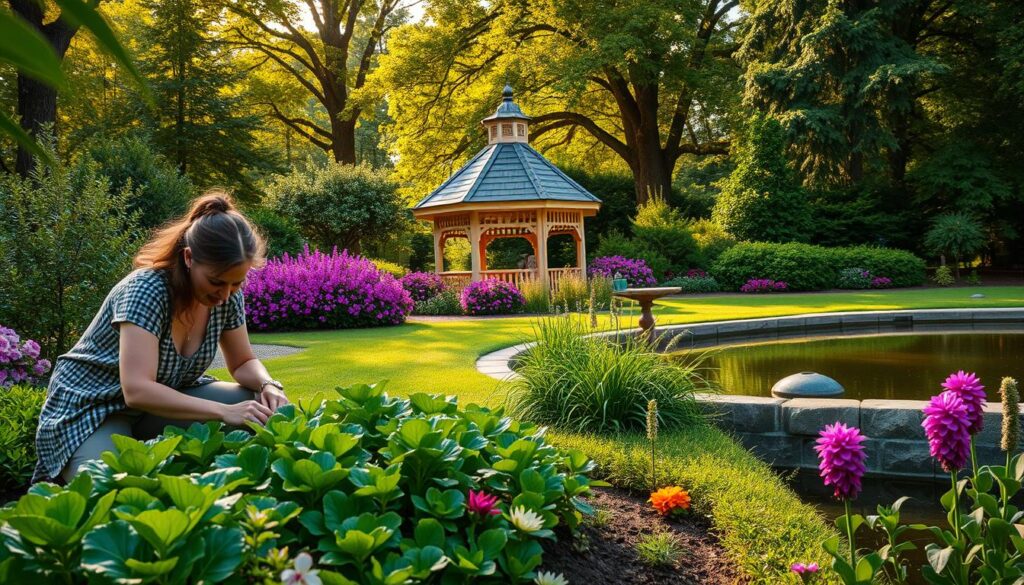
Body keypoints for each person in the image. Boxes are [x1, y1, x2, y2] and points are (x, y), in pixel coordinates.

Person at [33, 192, 289, 484]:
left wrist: (268, 384)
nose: (225, 294)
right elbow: (138, 390)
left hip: (159, 403)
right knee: (108, 486)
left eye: (236, 283)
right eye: (216, 282)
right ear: (189, 258)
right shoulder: (146, 291)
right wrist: (223, 411)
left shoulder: (228, 296)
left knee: (260, 406)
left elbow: (243, 361)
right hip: (94, 409)